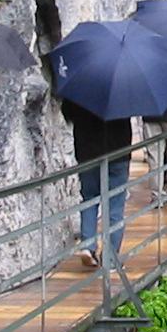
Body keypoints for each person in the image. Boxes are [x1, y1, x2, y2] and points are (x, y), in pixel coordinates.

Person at [61, 97, 133, 266]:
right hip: (118, 151)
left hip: (87, 152)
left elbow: (68, 113)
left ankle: (88, 245)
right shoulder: (123, 87)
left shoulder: (80, 88)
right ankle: (110, 257)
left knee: (89, 198)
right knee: (115, 205)